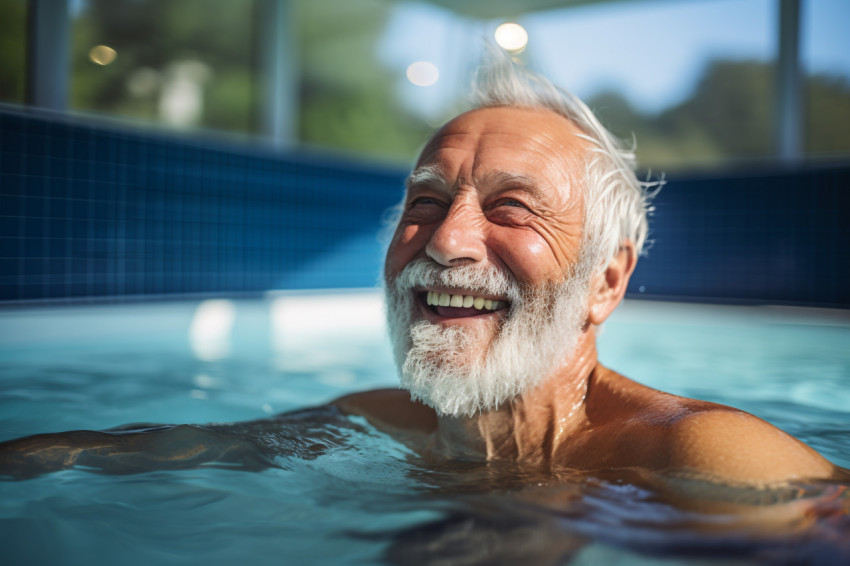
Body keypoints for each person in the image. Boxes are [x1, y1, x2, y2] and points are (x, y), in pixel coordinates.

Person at [0, 53, 845, 489]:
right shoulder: (376, 423)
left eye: (511, 208)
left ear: (605, 283)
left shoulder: (707, 459)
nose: (446, 242)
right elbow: (128, 454)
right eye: (426, 202)